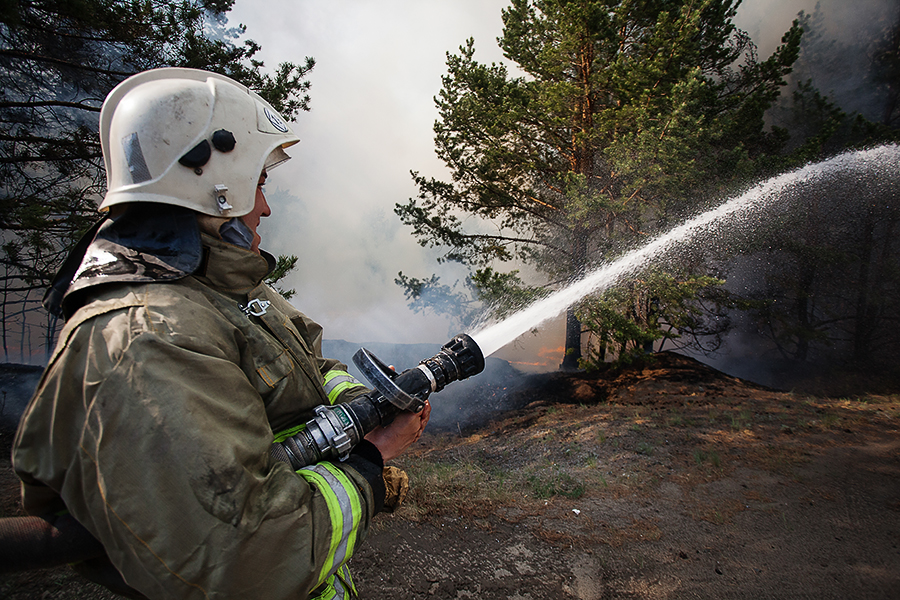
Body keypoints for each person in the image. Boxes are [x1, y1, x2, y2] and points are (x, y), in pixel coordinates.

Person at [11, 68, 430, 599]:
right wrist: (369, 463)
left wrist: (365, 402)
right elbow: (249, 558)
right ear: (215, 189)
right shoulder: (148, 338)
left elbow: (308, 367)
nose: (266, 206)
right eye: (259, 183)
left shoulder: (222, 288)